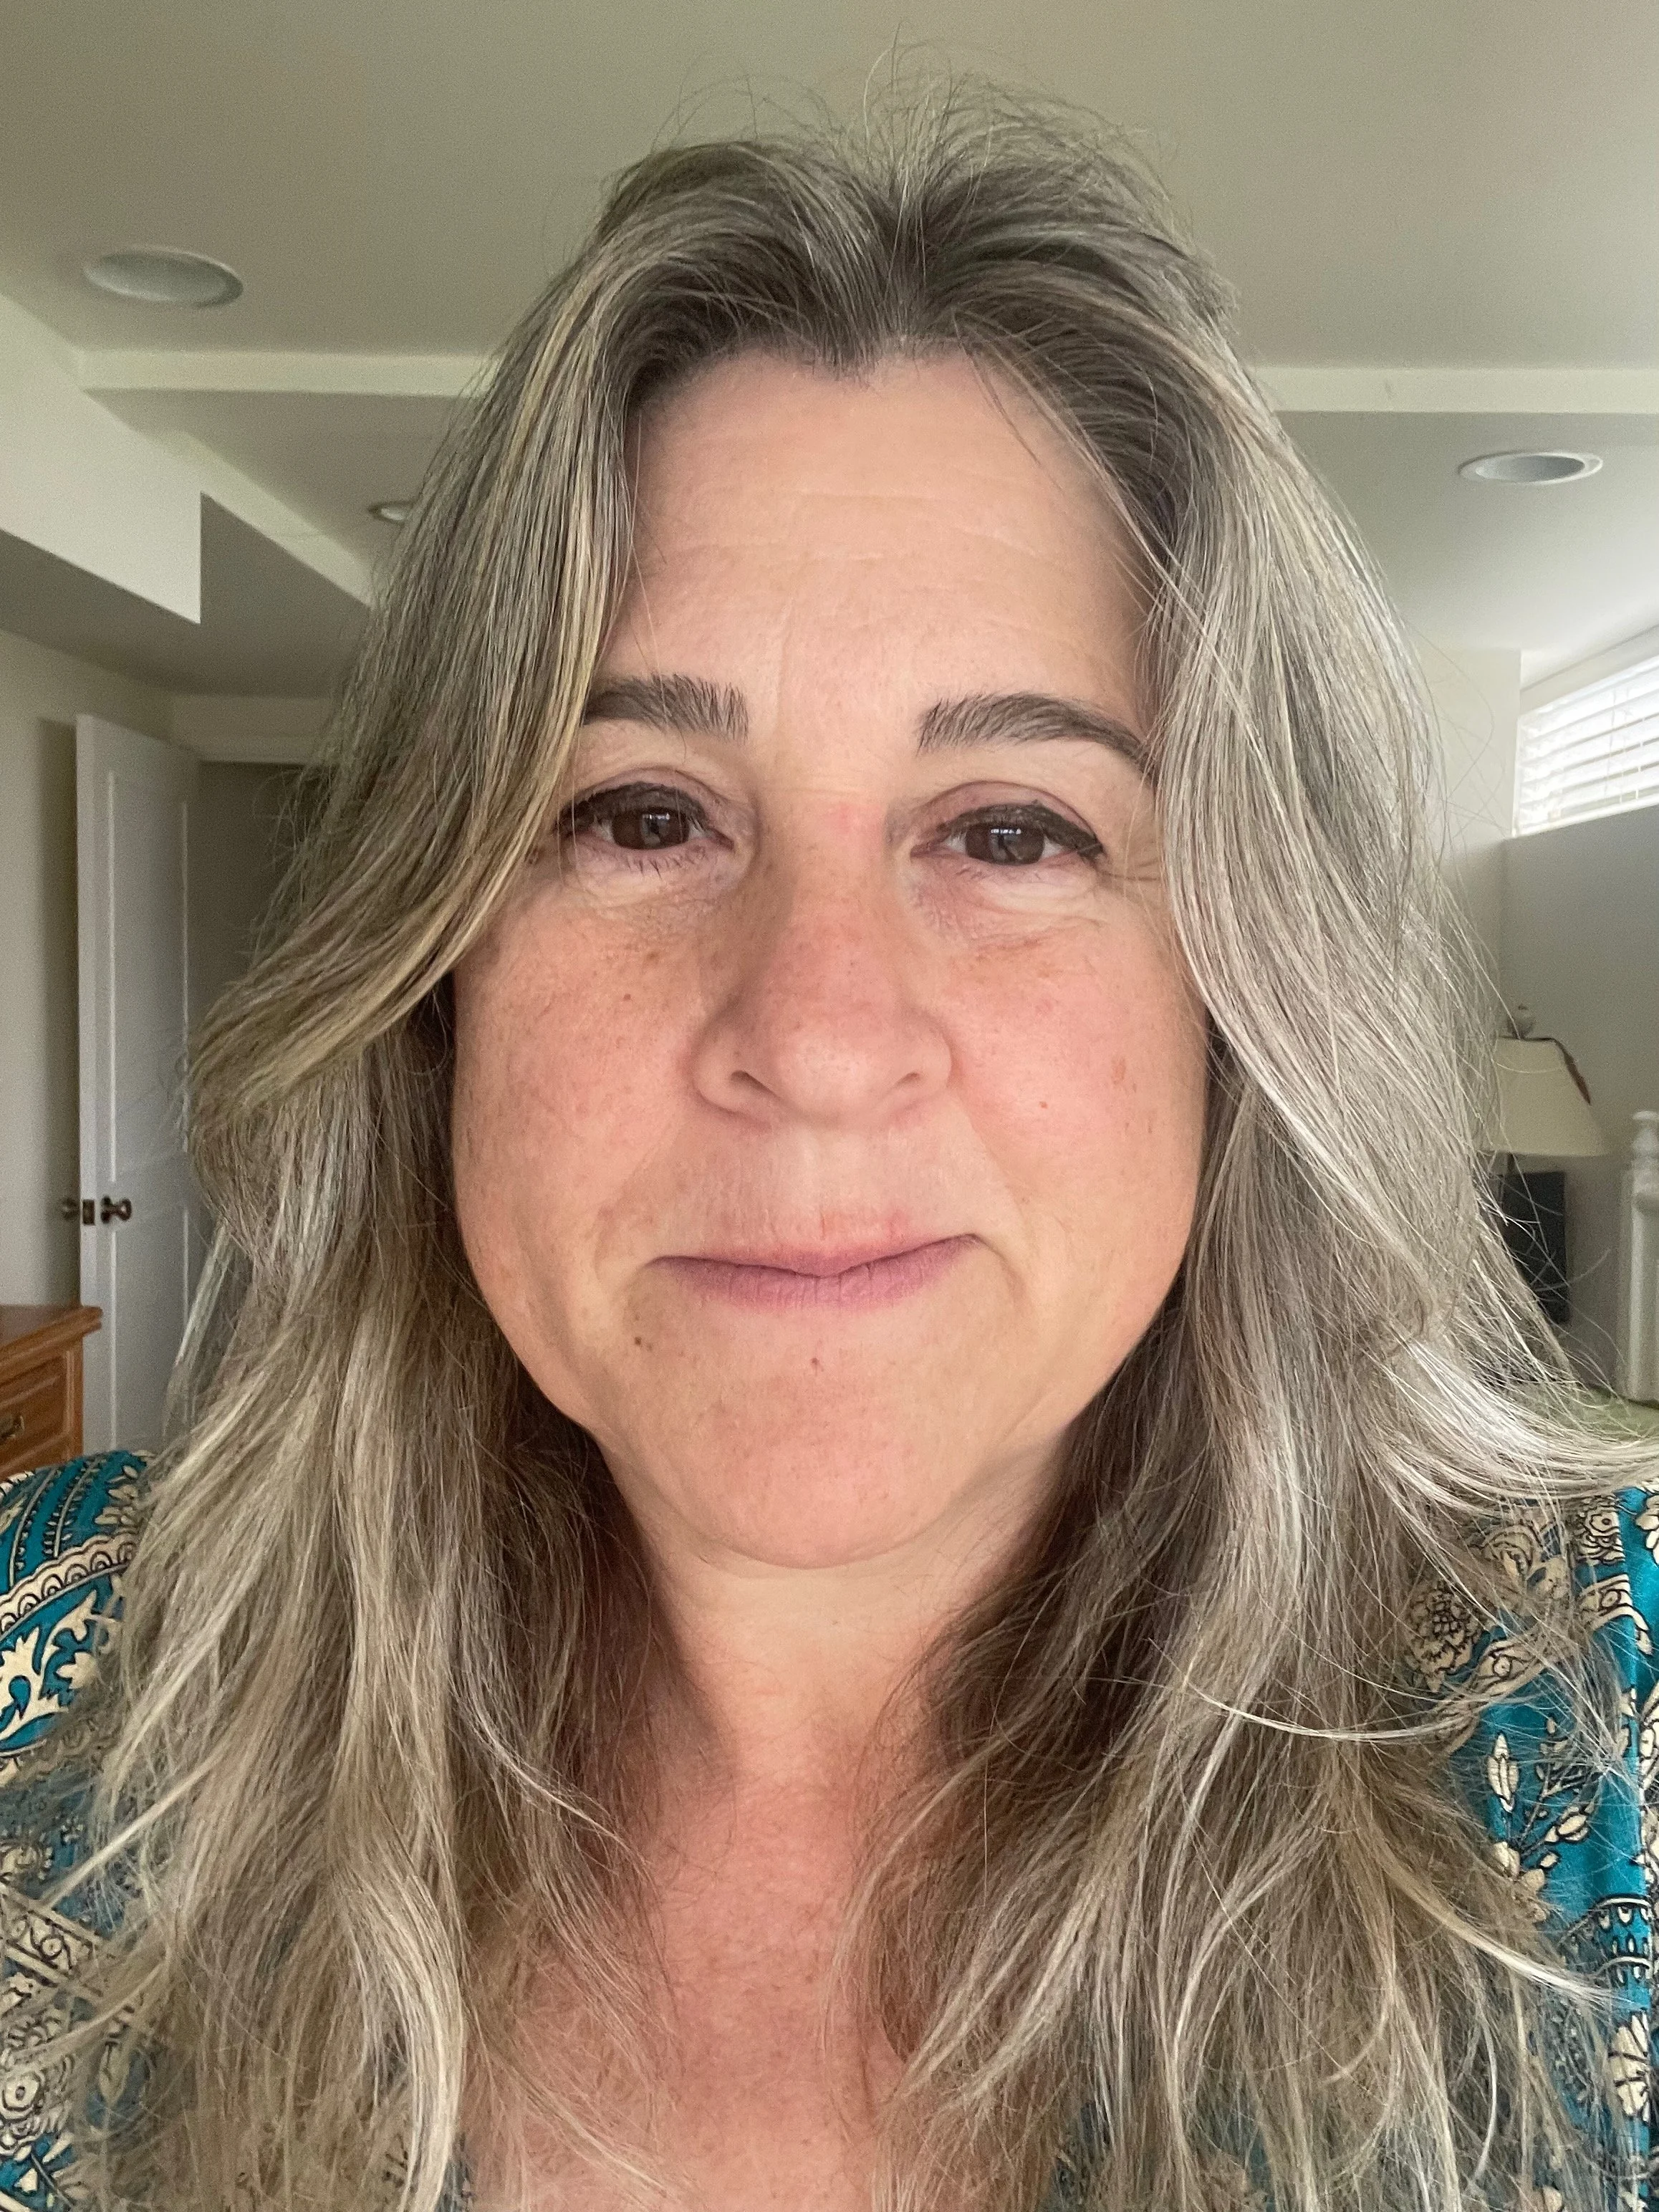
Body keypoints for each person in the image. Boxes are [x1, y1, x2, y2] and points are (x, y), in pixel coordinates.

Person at [1, 87, 1655, 2212]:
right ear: (433, 974)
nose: (812, 1033)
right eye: (643, 813)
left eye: (1009, 832)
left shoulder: (1606, 1718)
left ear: (1243, 1001)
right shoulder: (53, 1700)